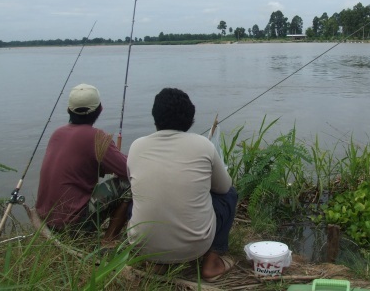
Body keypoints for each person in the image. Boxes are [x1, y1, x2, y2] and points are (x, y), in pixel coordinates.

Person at [127, 87, 238, 282]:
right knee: (230, 195)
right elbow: (224, 188)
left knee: (136, 199)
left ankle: (157, 263)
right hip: (195, 246)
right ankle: (211, 263)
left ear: (155, 117)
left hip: (143, 245)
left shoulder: (136, 146)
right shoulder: (203, 145)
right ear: (190, 119)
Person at [35, 83, 130, 245]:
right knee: (127, 183)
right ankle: (109, 239)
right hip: (73, 224)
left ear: (68, 110)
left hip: (45, 217)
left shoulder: (57, 134)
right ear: (100, 109)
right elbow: (130, 169)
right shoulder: (98, 138)